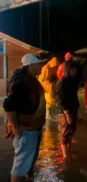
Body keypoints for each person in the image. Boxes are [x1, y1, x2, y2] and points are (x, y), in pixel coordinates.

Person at [3, 54, 47, 182]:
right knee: (20, 166)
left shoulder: (30, 80)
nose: (41, 67)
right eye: (39, 65)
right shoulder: (22, 83)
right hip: (26, 130)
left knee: (28, 163)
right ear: (31, 66)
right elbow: (7, 105)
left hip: (33, 128)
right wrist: (15, 126)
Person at [55, 61, 79, 159]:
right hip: (65, 112)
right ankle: (65, 156)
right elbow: (59, 101)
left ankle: (68, 151)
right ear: (67, 70)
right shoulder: (61, 83)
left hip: (73, 110)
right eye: (72, 70)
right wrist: (67, 114)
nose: (75, 72)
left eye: (75, 70)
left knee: (71, 131)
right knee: (65, 133)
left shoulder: (72, 81)